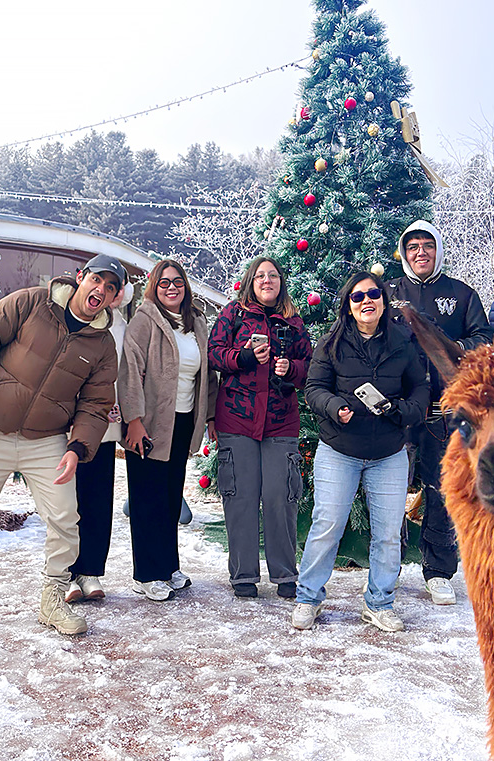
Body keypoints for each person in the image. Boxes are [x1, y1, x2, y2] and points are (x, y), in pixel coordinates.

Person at [0, 255, 125, 637]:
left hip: (47, 441)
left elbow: (96, 405)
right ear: (80, 278)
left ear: (114, 298)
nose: (100, 290)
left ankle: (52, 598)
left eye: (110, 287)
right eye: (96, 280)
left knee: (66, 520)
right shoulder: (31, 302)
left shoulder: (102, 346)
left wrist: (76, 447)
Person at [294, 271, 429, 632]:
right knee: (327, 525)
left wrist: (403, 411)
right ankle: (308, 598)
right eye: (357, 297)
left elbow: (420, 390)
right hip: (340, 449)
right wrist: (335, 406)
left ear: (383, 301)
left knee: (387, 532)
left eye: (373, 294)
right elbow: (314, 388)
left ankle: (379, 603)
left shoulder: (402, 343)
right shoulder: (331, 343)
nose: (366, 301)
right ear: (348, 306)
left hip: (388, 452)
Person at [385, 219, 493, 607]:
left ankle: (439, 572)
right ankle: (388, 568)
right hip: (397, 411)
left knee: (441, 490)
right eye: (412, 247)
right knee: (392, 489)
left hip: (444, 412)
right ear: (404, 252)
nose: (420, 253)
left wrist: (452, 347)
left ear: (438, 249)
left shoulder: (461, 294)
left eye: (427, 246)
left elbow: (484, 338)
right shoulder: (389, 292)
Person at [207, 256, 312, 599]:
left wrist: (290, 368)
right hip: (237, 420)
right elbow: (215, 354)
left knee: (281, 497)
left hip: (281, 423)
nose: (267, 281)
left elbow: (311, 367)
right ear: (251, 281)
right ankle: (243, 576)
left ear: (281, 283)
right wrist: (247, 356)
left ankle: (285, 575)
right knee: (241, 498)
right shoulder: (232, 314)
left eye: (274, 276)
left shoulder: (294, 323)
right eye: (261, 276)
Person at [119, 259, 218, 601]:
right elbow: (129, 372)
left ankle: (168, 566)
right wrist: (133, 419)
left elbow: (208, 376)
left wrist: (210, 418)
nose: (171, 288)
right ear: (154, 287)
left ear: (185, 286)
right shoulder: (144, 321)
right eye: (164, 283)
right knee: (146, 497)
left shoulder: (197, 324)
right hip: (149, 423)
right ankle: (146, 573)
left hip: (184, 420)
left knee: (169, 496)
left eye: (177, 282)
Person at [64, 281, 133, 604]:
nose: (108, 293)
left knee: (97, 498)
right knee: (66, 501)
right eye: (102, 284)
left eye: (116, 288)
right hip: (65, 422)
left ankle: (90, 570)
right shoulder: (71, 315)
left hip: (104, 421)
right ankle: (64, 573)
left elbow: (124, 373)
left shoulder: (121, 323)